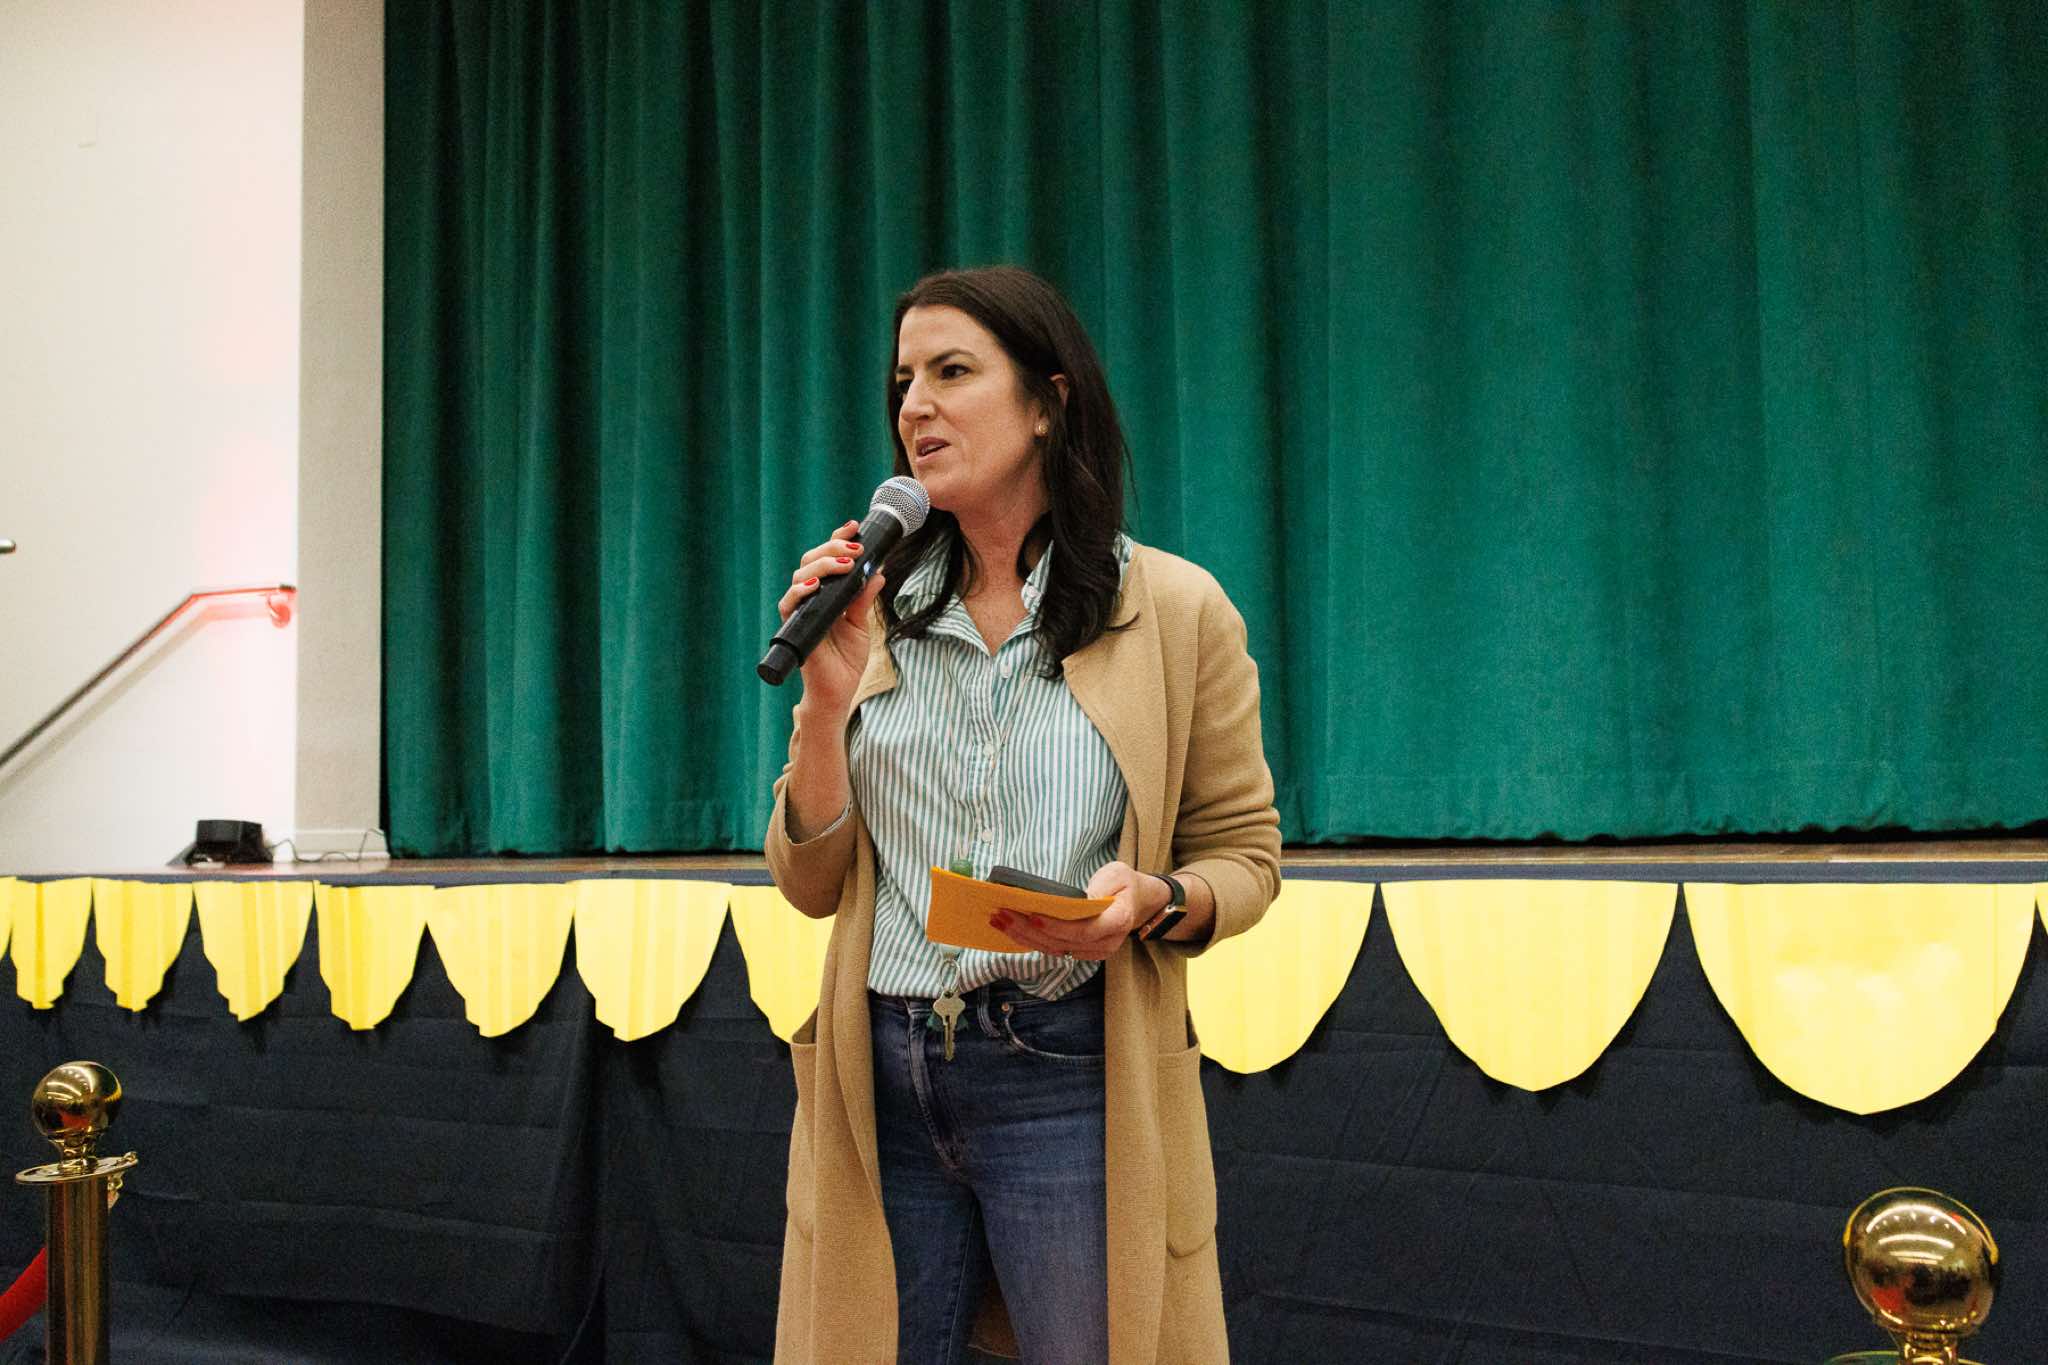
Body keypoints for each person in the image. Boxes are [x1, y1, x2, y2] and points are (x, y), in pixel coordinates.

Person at [765, 264, 1280, 1365]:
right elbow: (808, 882)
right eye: (903, 382)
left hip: (1067, 1074)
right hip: (883, 1074)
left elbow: (1245, 855)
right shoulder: (873, 612)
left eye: (952, 372)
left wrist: (1155, 900)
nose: (916, 407)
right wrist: (825, 699)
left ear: (1048, 402)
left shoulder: (1174, 610)